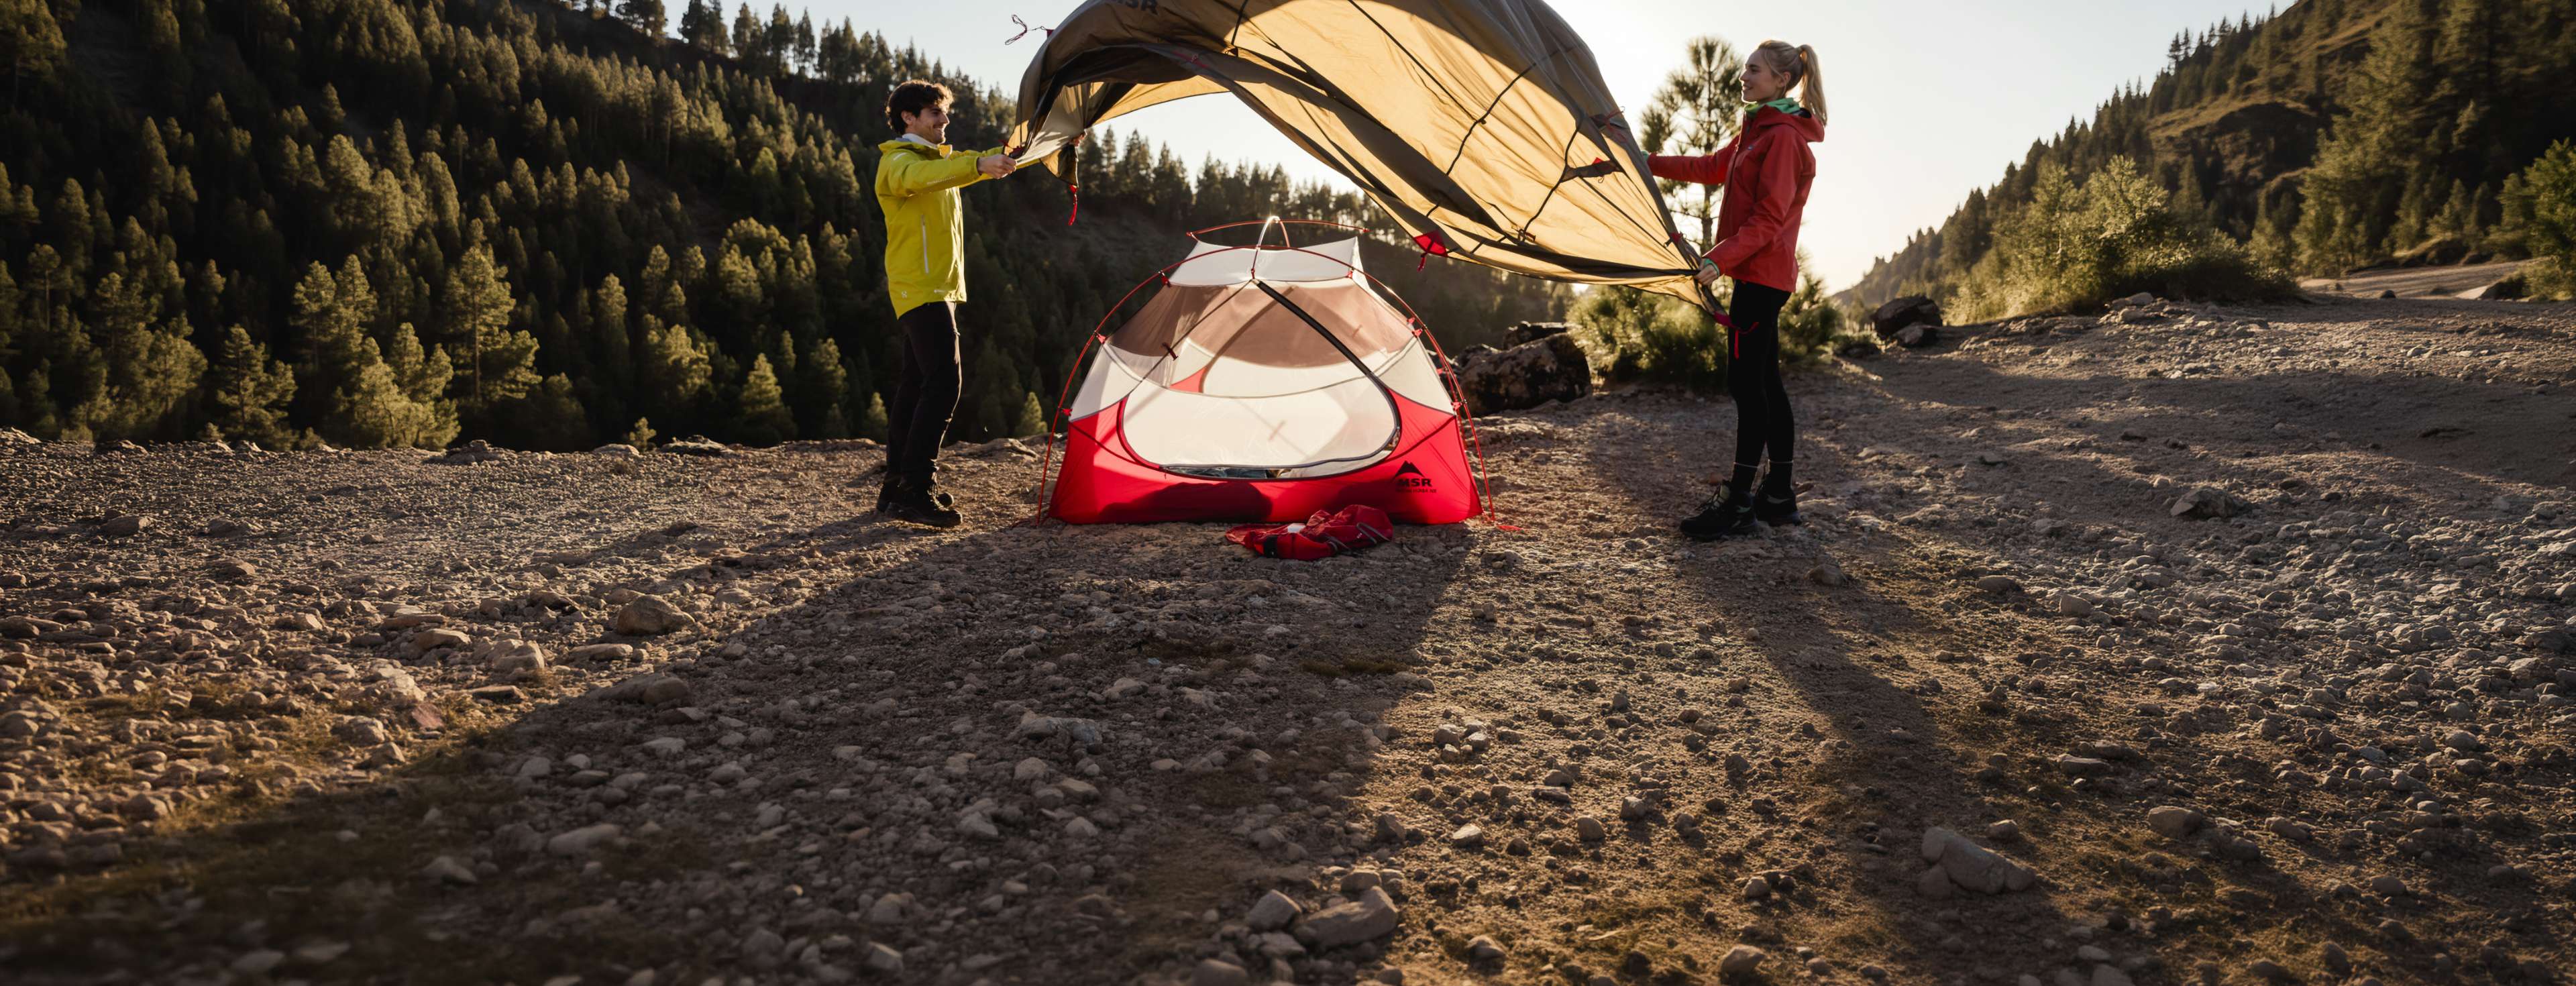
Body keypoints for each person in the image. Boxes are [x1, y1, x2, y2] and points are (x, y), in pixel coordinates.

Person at [1646, 40, 1827, 541]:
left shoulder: (1784, 139)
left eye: (1754, 70)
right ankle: (1777, 496)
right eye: (1745, 69)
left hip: (1762, 277)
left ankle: (1740, 501)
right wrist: (1646, 162)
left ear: (1781, 80)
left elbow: (1770, 218)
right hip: (1755, 274)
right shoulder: (1758, 128)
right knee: (1765, 383)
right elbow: (1709, 168)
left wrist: (1718, 260)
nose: (1743, 77)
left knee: (1747, 387)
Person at [872, 79, 1018, 527]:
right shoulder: (899, 163)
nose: (944, 119)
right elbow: (932, 176)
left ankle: (897, 486)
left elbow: (969, 167)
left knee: (915, 386)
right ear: (908, 118)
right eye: (935, 112)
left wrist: (1036, 149)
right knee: (943, 384)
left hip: (935, 287)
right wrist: (977, 163)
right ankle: (916, 488)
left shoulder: (937, 162)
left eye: (944, 111)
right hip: (922, 288)